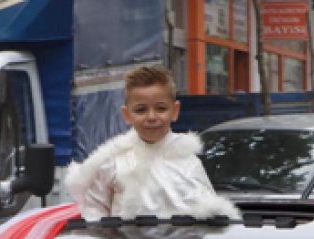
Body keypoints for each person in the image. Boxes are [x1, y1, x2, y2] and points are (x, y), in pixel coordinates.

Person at [65, 65, 237, 221]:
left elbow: (208, 215)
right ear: (126, 115)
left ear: (175, 111)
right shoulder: (112, 163)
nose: (152, 117)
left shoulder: (189, 161)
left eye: (161, 108)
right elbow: (94, 214)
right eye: (141, 110)